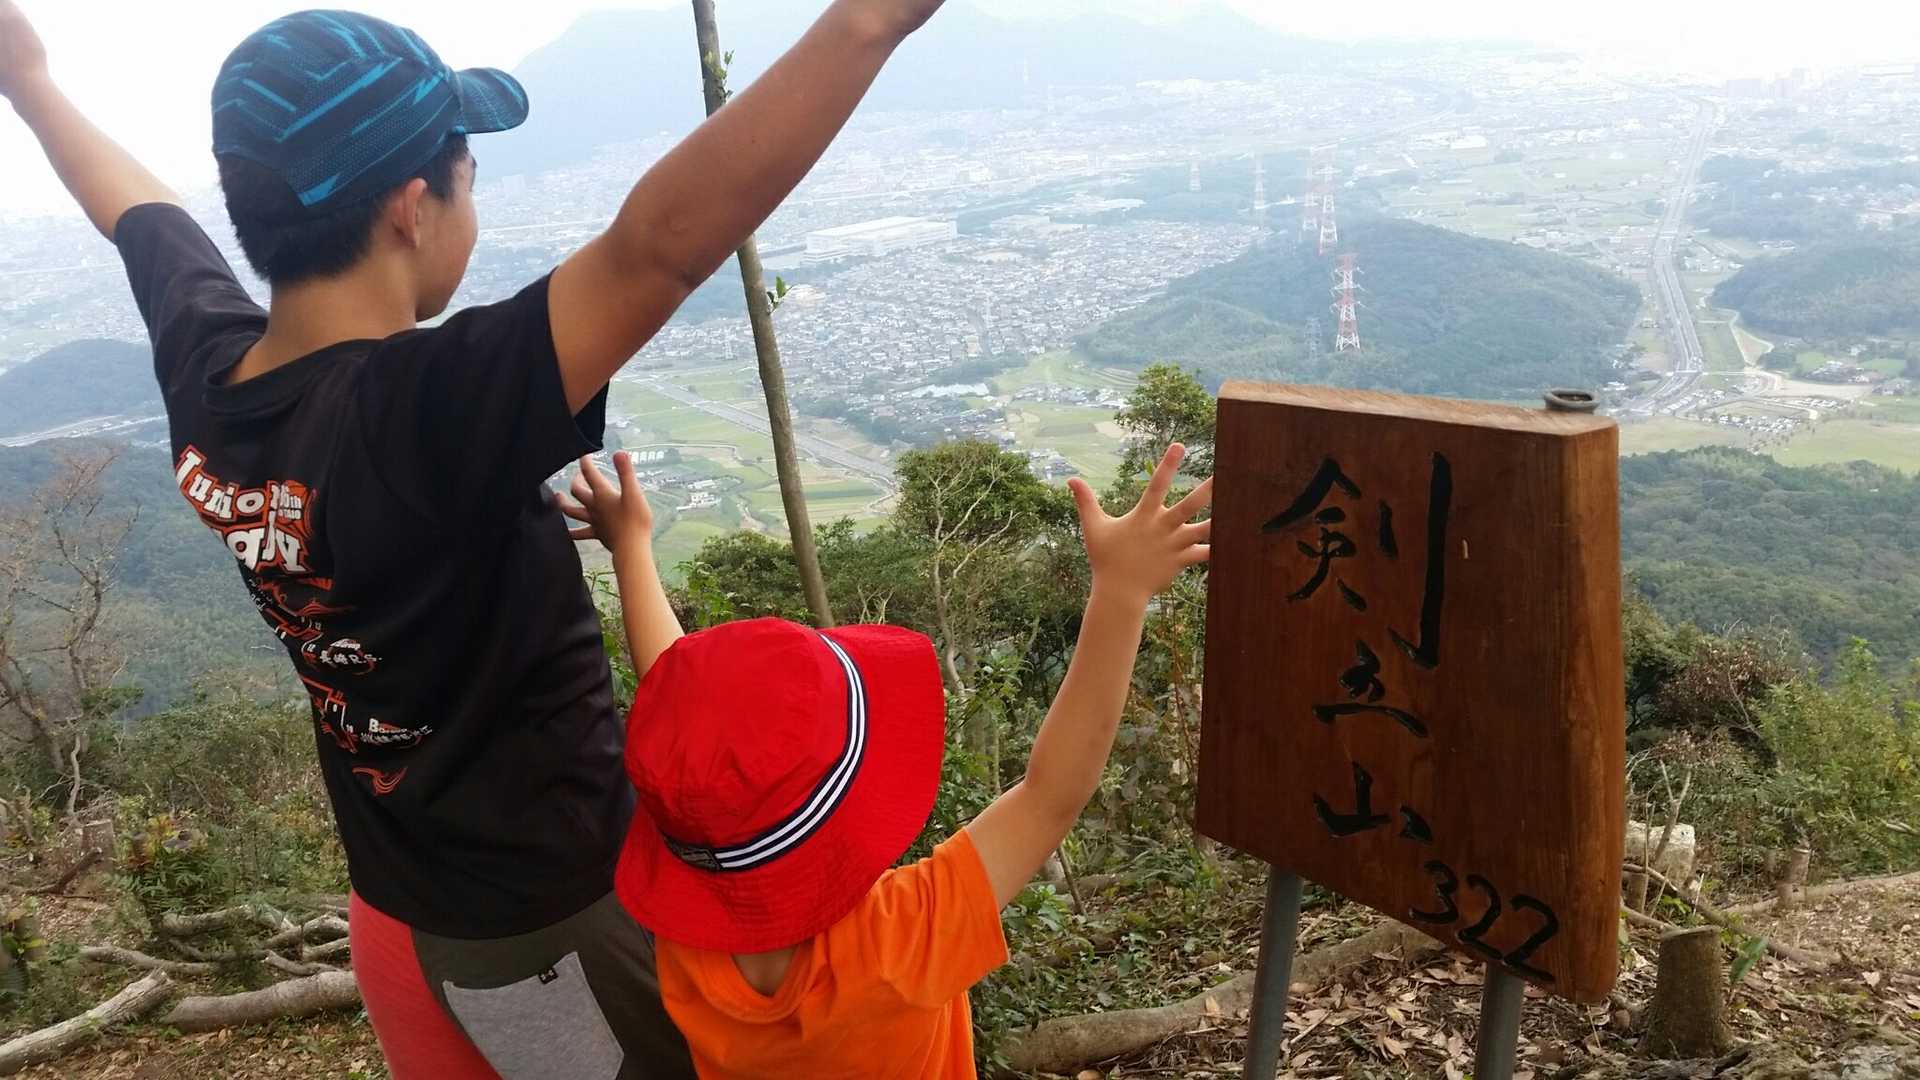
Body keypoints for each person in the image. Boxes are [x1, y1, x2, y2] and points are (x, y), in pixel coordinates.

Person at [0, 1, 949, 1076]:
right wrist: (868, 23)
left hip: (397, 910)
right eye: (470, 178)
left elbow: (140, 214)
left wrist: (30, 82)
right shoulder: (418, 415)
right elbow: (658, 249)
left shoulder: (211, 373)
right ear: (413, 208)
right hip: (542, 938)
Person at [565, 443, 1213, 1079]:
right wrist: (1122, 590)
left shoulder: (687, 950)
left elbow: (697, 738)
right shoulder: (901, 937)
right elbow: (1051, 795)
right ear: (850, 813)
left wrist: (630, 549)